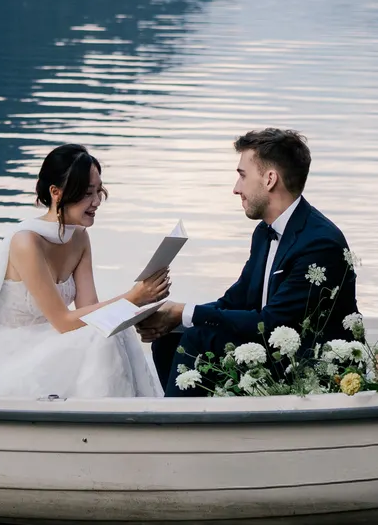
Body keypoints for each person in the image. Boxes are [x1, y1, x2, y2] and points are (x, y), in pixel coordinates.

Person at [0, 144, 169, 400]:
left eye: (99, 191)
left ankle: (124, 416)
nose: (95, 202)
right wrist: (132, 297)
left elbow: (89, 310)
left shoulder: (79, 238)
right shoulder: (26, 242)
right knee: (102, 338)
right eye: (87, 193)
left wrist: (140, 304)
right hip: (10, 351)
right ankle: (102, 419)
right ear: (56, 192)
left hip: (48, 342)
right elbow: (63, 321)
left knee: (111, 331)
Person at [140, 128, 358, 396]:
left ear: (269, 179)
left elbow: (273, 323)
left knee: (198, 339)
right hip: (273, 351)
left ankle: (178, 429)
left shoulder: (319, 243)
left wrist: (184, 311)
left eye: (242, 176)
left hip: (309, 367)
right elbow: (236, 302)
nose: (236, 189)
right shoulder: (265, 232)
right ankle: (187, 423)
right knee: (171, 339)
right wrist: (173, 318)